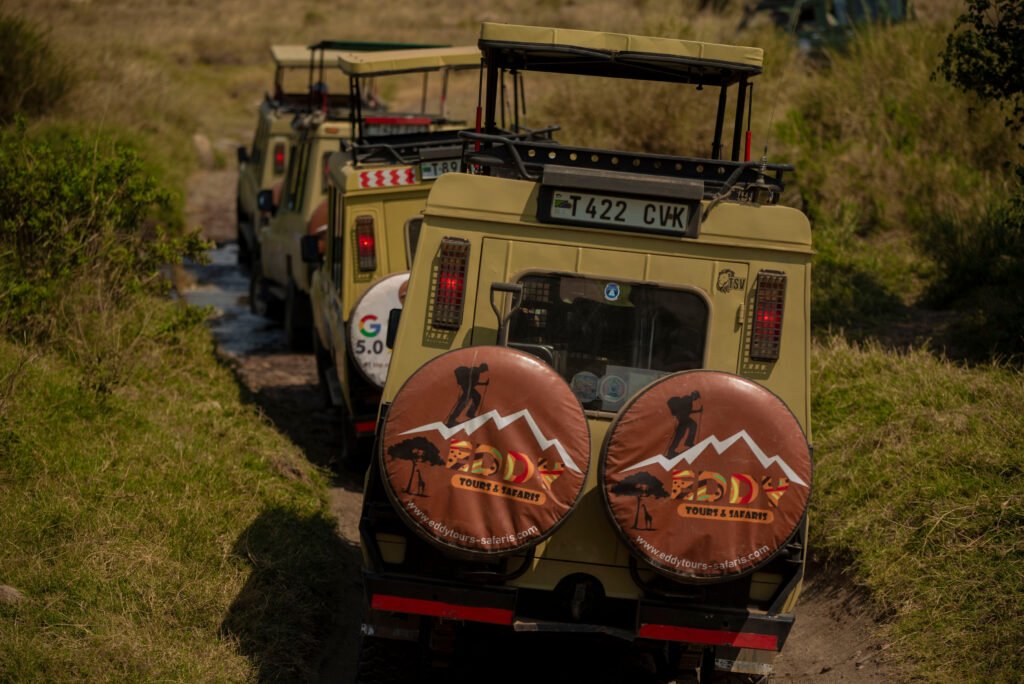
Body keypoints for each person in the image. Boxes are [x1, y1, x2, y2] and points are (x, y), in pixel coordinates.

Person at [666, 390, 702, 456]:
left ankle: (671, 451)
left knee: (680, 435)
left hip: (682, 418)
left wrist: (698, 411)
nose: (696, 398)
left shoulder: (688, 400)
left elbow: (688, 411)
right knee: (692, 426)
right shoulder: (687, 399)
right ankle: (688, 442)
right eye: (696, 397)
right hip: (683, 418)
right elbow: (683, 409)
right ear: (694, 395)